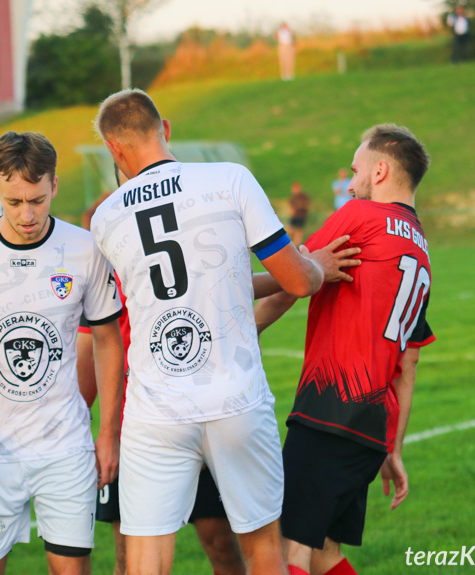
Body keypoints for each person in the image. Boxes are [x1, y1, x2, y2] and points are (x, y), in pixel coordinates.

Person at [90, 88, 360, 575]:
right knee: (263, 550)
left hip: (155, 410)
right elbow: (297, 281)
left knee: (145, 561)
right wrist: (315, 266)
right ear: (165, 129)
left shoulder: (106, 217)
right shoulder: (228, 179)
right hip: (233, 398)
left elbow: (164, 292)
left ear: (113, 149)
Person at [0, 131, 124, 575]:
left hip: (65, 448)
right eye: (13, 201)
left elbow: (108, 339)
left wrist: (108, 431)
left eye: (37, 199)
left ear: (55, 185)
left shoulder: (85, 249)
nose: (27, 214)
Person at [255, 124, 433, 575]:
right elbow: (408, 363)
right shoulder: (423, 251)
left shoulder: (361, 216)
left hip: (329, 410)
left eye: (355, 171)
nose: (350, 184)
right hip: (373, 426)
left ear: (380, 169)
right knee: (324, 553)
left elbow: (292, 280)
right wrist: (393, 447)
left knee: (288, 548)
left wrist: (238, 332)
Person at [78, 166, 248, 575]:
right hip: (133, 432)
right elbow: (85, 377)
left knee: (221, 543)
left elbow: (228, 314)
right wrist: (103, 436)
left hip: (202, 414)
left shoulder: (175, 273)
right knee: (131, 557)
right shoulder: (97, 292)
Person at [288, 181, 311, 246]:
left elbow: (307, 205)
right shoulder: (293, 197)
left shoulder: (303, 197)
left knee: (298, 231)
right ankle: (292, 244)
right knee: (291, 230)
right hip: (294, 216)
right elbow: (291, 207)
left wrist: (298, 206)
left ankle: (296, 245)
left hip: (301, 216)